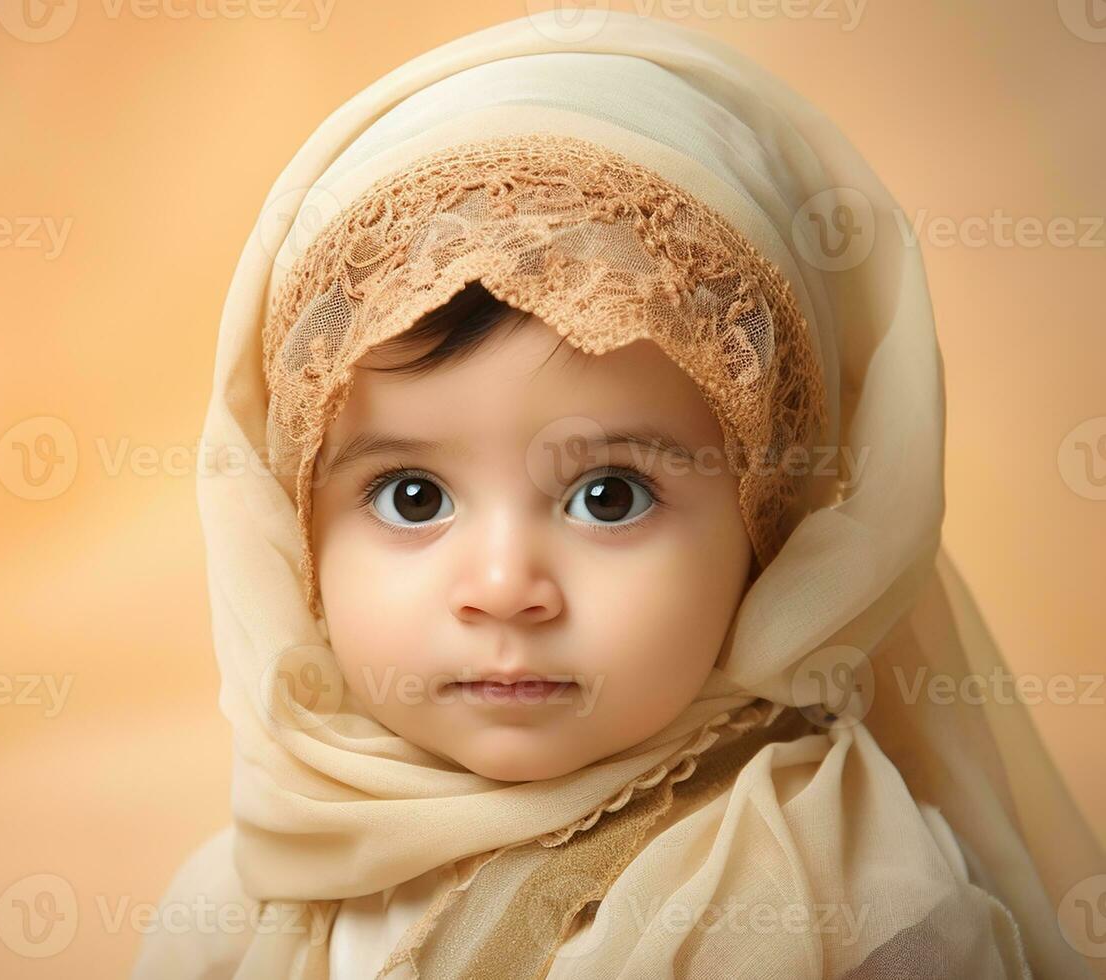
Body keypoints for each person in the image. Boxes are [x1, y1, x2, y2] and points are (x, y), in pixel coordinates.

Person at [133, 10, 1104, 978]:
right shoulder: (249, 896)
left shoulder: (838, 893)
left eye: (609, 495)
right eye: (414, 496)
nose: (506, 585)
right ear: (299, 533)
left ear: (769, 529)